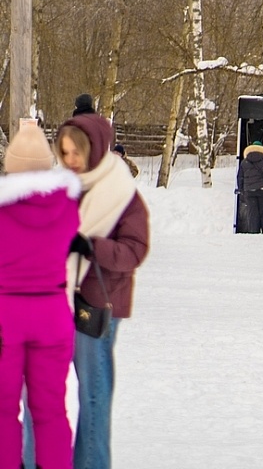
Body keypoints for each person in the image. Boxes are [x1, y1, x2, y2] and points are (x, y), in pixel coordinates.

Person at [57, 107, 150, 469]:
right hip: (57, 300)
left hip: (95, 307)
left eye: (76, 151)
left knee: (93, 395)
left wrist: (91, 246)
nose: (70, 160)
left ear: (94, 148)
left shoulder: (121, 192)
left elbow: (134, 250)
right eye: (64, 152)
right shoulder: (64, 187)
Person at [0, 121, 81, 469]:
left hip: (5, 317)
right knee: (51, 411)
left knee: (3, 411)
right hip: (52, 315)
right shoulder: (68, 208)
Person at [236, 139, 263, 234]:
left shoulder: (244, 162)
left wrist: (242, 190)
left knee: (252, 213)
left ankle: (254, 232)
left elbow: (240, 177)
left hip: (249, 191)